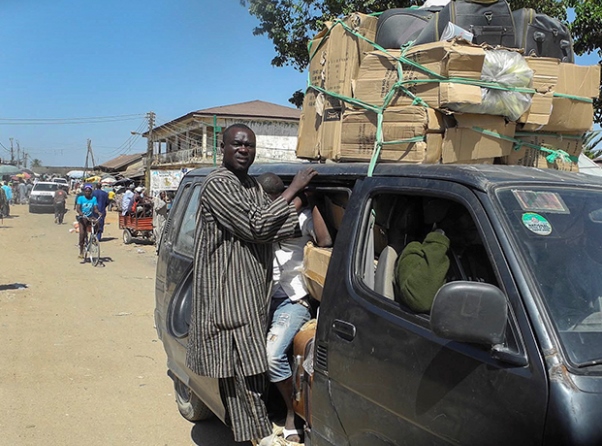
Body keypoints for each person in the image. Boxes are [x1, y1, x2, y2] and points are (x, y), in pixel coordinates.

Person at [186, 123, 317, 445]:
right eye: (238, 144)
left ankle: (253, 436)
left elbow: (276, 224)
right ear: (224, 147)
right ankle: (261, 437)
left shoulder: (249, 185)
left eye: (250, 146)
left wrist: (304, 205)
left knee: (248, 373)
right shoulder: (219, 184)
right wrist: (293, 189)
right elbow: (258, 225)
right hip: (230, 294)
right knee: (244, 372)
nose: (245, 150)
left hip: (252, 295)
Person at [257, 172, 332, 443]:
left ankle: (293, 411)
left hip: (293, 299)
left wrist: (312, 202)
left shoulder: (300, 218)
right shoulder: (259, 221)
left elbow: (324, 241)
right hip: (263, 299)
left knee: (272, 356)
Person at [75, 184, 99, 258]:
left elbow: (95, 208)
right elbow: (78, 208)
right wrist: (80, 213)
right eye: (86, 191)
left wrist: (98, 212)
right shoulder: (80, 198)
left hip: (90, 216)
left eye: (89, 191)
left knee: (97, 223)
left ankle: (94, 237)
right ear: (84, 191)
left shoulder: (94, 198)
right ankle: (81, 251)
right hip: (82, 217)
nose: (87, 193)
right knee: (82, 233)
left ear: (91, 192)